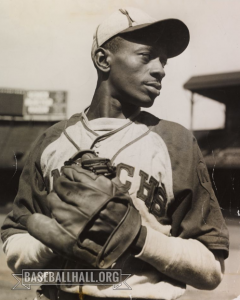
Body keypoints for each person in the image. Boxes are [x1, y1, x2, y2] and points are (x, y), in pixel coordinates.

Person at [1, 7, 229, 300]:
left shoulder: (177, 142)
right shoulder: (51, 140)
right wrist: (55, 239)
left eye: (164, 61)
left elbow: (212, 269)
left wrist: (140, 237)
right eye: (147, 56)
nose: (160, 69)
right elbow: (14, 242)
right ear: (102, 60)